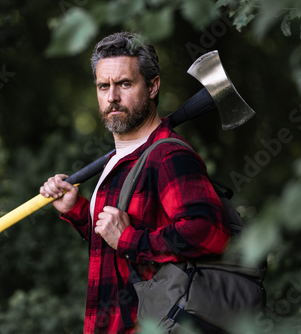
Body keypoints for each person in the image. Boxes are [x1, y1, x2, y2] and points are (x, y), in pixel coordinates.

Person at [40, 32, 231, 333]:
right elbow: (116, 243)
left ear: (153, 86)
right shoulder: (121, 160)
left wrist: (129, 239)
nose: (112, 97)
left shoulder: (168, 156)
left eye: (125, 84)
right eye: (104, 86)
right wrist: (78, 209)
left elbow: (209, 232)